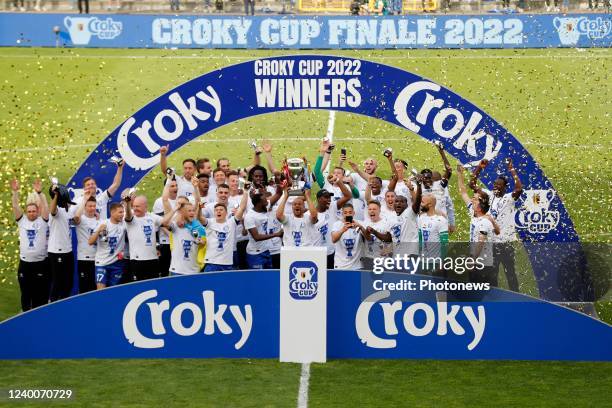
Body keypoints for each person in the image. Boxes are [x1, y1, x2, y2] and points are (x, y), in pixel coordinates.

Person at [469, 159, 523, 291]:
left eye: (499, 185)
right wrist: (479, 168)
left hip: (506, 242)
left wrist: (512, 170)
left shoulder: (509, 198)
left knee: (510, 272)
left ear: (505, 187)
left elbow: (519, 189)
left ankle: (515, 298)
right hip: (492, 243)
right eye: (494, 184)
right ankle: (495, 298)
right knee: (493, 273)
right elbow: (472, 184)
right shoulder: (488, 195)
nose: (496, 187)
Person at [457, 165, 501, 285]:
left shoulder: (484, 222)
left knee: (482, 298)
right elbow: (463, 191)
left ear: (481, 204)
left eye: (475, 199)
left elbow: (481, 241)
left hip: (482, 264)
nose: (472, 200)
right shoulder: (474, 213)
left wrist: (472, 260)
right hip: (478, 262)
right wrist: (460, 174)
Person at [12, 179, 50, 311]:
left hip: (40, 264)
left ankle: (40, 320)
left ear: (37, 211)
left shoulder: (43, 221)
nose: (31, 213)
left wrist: (40, 193)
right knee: (26, 295)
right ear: (26, 212)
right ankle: (25, 319)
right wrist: (15, 192)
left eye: (34, 211)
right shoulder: (21, 221)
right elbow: (15, 207)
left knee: (40, 296)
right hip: (25, 265)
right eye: (29, 211)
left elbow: (46, 207)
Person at [161, 182, 207, 276]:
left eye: (193, 211)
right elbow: (164, 223)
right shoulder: (176, 226)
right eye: (189, 211)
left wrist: (201, 241)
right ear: (182, 212)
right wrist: (175, 208)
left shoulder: (197, 227)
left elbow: (203, 241)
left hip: (193, 270)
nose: (192, 213)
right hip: (177, 270)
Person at [309, 178, 352, 269]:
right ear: (318, 199)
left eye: (329, 197)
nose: (329, 199)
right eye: (326, 197)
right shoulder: (311, 214)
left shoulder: (332, 207)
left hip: (333, 252)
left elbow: (348, 196)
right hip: (316, 253)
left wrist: (338, 181)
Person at [202, 191, 248, 272]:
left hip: (227, 264)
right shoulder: (209, 222)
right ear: (214, 212)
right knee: (210, 285)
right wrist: (199, 208)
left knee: (227, 285)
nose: (218, 211)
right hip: (211, 263)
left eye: (221, 210)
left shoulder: (231, 222)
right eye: (216, 210)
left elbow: (242, 208)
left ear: (226, 213)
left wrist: (246, 192)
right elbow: (199, 217)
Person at [48, 179, 76, 301]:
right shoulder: (56, 211)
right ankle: (53, 306)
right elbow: (52, 210)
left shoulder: (67, 211)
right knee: (58, 283)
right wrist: (56, 195)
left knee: (68, 283)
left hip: (67, 251)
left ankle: (63, 306)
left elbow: (76, 214)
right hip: (56, 252)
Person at [125, 193, 163, 282]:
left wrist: (176, 209)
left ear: (145, 207)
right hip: (137, 260)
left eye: (137, 206)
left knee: (154, 285)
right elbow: (128, 216)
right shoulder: (131, 218)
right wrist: (127, 204)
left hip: (152, 259)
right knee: (138, 287)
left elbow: (165, 221)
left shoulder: (152, 217)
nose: (135, 208)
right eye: (133, 206)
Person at [89, 203, 127, 289]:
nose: (122, 214)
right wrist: (98, 231)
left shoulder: (124, 224)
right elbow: (90, 242)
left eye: (123, 212)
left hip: (117, 263)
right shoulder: (102, 224)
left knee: (114, 291)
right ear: (112, 213)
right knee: (101, 290)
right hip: (102, 263)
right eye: (120, 212)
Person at [244, 186, 282, 269]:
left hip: (266, 251)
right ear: (258, 204)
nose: (268, 204)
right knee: (257, 278)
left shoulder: (263, 207)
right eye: (265, 202)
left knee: (268, 276)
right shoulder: (250, 217)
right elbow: (256, 237)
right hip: (255, 254)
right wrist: (276, 234)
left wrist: (279, 183)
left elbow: (279, 194)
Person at [389, 175, 422, 266]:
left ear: (407, 204)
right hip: (397, 257)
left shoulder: (410, 213)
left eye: (401, 201)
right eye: (396, 201)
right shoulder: (391, 218)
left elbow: (418, 201)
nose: (398, 203)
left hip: (410, 255)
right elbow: (389, 237)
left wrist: (418, 186)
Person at [73, 194, 100, 293]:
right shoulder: (81, 219)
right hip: (84, 259)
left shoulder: (100, 221)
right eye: (90, 206)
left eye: (94, 206)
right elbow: (76, 218)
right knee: (84, 289)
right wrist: (84, 200)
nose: (92, 208)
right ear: (85, 207)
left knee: (96, 289)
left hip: (98, 259)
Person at [418, 194, 449, 275]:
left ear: (430, 204)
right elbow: (420, 239)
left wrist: (442, 262)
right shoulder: (421, 218)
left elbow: (445, 243)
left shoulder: (441, 220)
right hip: (423, 261)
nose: (420, 204)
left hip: (436, 262)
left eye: (422, 202)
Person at [153, 179, 178, 277]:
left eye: (176, 185)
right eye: (172, 186)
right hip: (166, 242)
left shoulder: (180, 200)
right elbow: (160, 222)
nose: (175, 188)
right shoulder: (159, 202)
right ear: (166, 188)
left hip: (178, 241)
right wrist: (171, 234)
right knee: (164, 271)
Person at [332, 203, 366, 269]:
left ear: (353, 213)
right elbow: (334, 239)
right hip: (341, 265)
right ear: (342, 214)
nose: (348, 214)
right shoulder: (337, 224)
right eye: (345, 213)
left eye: (350, 212)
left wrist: (360, 227)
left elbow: (369, 238)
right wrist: (343, 230)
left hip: (357, 265)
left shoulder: (359, 224)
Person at [361, 201, 393, 269]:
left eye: (374, 209)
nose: (372, 211)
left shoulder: (386, 223)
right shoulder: (364, 224)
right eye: (370, 209)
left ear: (379, 211)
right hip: (369, 261)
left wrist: (389, 249)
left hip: (383, 262)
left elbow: (393, 241)